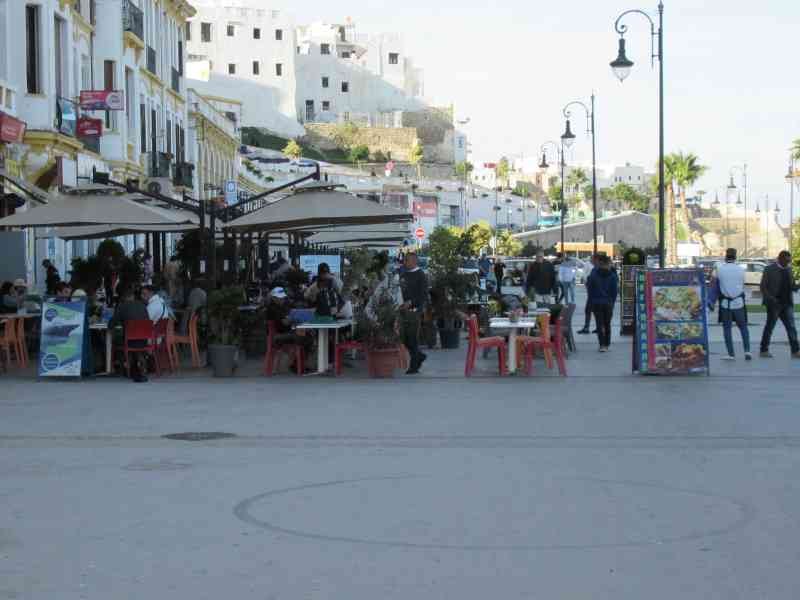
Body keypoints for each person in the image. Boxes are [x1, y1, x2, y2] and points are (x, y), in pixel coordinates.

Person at [759, 250, 800, 358]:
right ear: (780, 259)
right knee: (770, 327)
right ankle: (764, 350)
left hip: (787, 304)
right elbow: (763, 287)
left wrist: (797, 286)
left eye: (789, 261)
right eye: (786, 261)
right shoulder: (769, 269)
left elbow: (792, 286)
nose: (788, 263)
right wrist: (771, 299)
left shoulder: (789, 269)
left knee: (791, 327)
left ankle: (795, 351)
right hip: (774, 304)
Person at [712, 248, 751, 361]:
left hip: (725, 303)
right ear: (735, 256)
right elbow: (743, 284)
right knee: (743, 327)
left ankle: (731, 354)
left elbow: (714, 281)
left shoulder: (720, 269)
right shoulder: (741, 270)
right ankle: (747, 351)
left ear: (726, 256)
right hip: (738, 303)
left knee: (727, 329)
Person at [108, 287, 150, 382]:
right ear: (133, 296)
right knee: (132, 342)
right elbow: (147, 320)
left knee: (116, 341)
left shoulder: (122, 306)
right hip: (144, 340)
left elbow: (111, 324)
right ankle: (137, 367)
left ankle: (121, 367)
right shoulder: (143, 305)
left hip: (130, 341)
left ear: (124, 298)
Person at [265, 287, 312, 370]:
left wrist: (294, 317)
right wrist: (294, 318)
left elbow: (288, 320)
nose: (282, 300)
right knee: (304, 337)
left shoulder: (283, 307)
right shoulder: (272, 308)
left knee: (307, 335)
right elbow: (285, 322)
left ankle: (299, 364)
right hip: (278, 336)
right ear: (273, 298)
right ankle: (297, 365)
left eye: (283, 298)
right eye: (279, 298)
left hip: (286, 332)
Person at [400, 251, 429, 374]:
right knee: (403, 338)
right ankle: (419, 356)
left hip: (414, 311)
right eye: (404, 260)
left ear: (414, 261)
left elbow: (423, 295)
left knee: (412, 338)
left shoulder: (421, 275)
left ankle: (414, 365)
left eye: (407, 260)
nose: (404, 262)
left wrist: (411, 302)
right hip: (403, 310)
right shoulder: (404, 274)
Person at [586, 254, 618, 352]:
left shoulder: (593, 274)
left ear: (600, 263)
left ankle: (602, 345)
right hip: (608, 303)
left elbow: (590, 289)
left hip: (596, 303)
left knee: (599, 324)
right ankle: (607, 344)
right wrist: (612, 302)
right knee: (607, 323)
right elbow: (614, 291)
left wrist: (591, 301)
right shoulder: (612, 276)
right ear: (607, 264)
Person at [577, 255, 599, 334]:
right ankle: (598, 327)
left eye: (592, 259)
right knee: (594, 311)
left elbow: (591, 280)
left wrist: (587, 282)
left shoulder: (595, 270)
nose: (591, 261)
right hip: (596, 295)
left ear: (596, 260)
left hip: (593, 295)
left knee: (589, 310)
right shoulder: (597, 269)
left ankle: (587, 328)